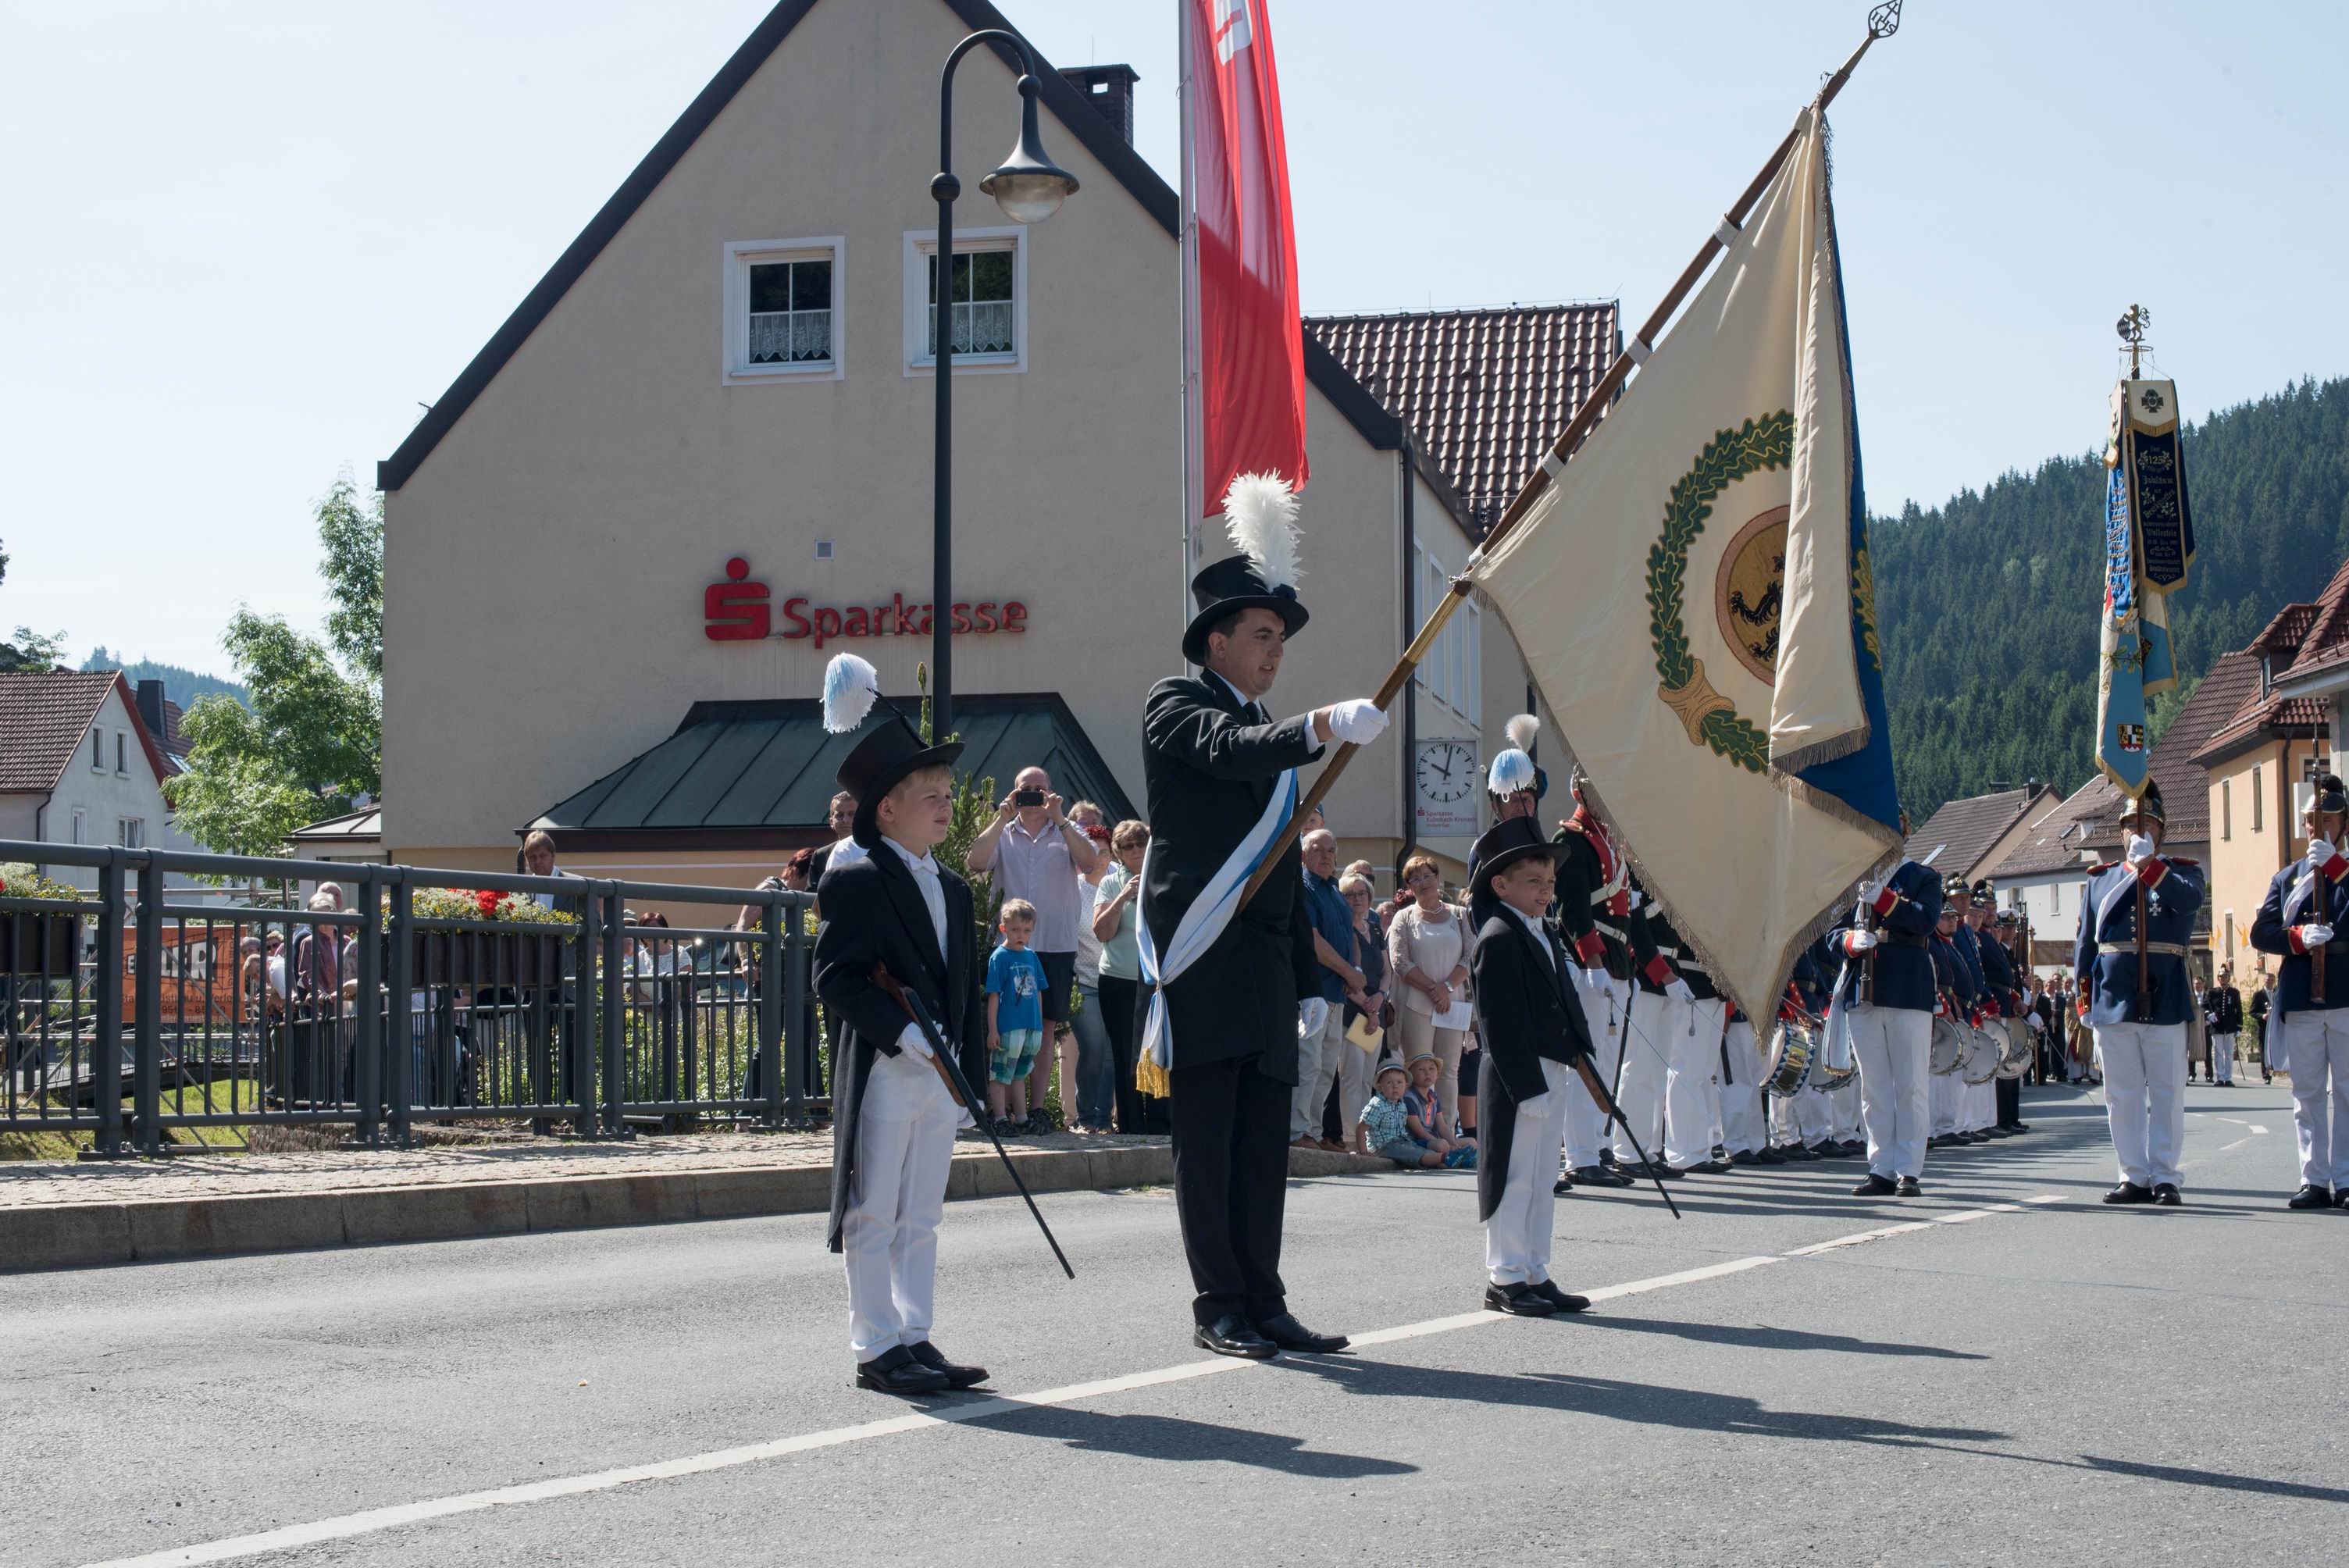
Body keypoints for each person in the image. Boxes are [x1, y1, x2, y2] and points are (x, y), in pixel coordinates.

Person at [1139, 508, 1386, 1360]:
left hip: (1264, 969)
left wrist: (1305, 982)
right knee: (1207, 1143)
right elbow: (1227, 749)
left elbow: (1278, 873)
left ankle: (1264, 1298)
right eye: (1259, 633)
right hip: (1203, 955)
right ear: (1215, 642)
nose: (1274, 649)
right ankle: (1218, 1304)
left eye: (1279, 635)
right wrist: (1315, 727)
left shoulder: (1268, 730)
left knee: (1260, 1145)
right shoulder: (1174, 703)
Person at [811, 663, 989, 1397]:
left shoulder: (951, 884)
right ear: (885, 810)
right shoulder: (854, 878)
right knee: (874, 1207)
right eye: (930, 797)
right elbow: (836, 977)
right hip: (889, 1065)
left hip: (938, 1073)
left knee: (923, 1211)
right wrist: (902, 1035)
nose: (946, 807)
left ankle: (916, 1334)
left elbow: (963, 992)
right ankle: (876, 1346)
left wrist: (964, 1074)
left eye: (948, 795)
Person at [1467, 814, 1593, 1317]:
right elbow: (1500, 1023)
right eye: (1533, 882)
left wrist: (1579, 1050)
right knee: (1515, 1176)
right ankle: (1505, 1276)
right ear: (1501, 885)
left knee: (1542, 1178)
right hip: (1519, 1078)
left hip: (1551, 1067)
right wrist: (1528, 1086)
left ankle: (1535, 1271)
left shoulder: (1541, 930)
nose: (1545, 891)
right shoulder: (1499, 936)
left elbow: (1560, 999)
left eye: (1550, 882)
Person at [2075, 780, 2205, 1207]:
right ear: (2121, 832)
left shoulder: (2183, 871)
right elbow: (2085, 947)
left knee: (2166, 1092)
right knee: (2122, 1093)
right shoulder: (2100, 880)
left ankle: (2165, 1175)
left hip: (2164, 993)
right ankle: (2133, 1174)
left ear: (2162, 831)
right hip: (2113, 996)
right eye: (2132, 825)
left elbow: (2187, 904)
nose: (2139, 832)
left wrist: (2151, 868)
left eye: (2148, 824)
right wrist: (2084, 998)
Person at [1550, 764, 1672, 1188]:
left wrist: (1647, 969)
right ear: (1580, 791)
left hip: (1616, 962)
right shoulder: (1571, 840)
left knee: (1609, 1064)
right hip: (1593, 966)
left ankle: (1596, 1147)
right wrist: (1593, 965)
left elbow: (1629, 916)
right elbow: (1574, 910)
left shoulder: (1612, 842)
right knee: (1587, 1064)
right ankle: (1580, 1155)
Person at [967, 765, 1106, 1132]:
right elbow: (976, 862)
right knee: (1006, 1029)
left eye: (1039, 789)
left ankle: (1037, 1110)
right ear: (1013, 793)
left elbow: (1091, 862)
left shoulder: (1066, 828)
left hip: (1054, 947)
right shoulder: (1004, 830)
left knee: (1044, 1030)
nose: (1033, 796)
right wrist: (1000, 820)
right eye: (1025, 789)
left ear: (1051, 793)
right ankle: (1004, 1111)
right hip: (1011, 951)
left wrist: (1060, 819)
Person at [2250, 771, 2349, 1210]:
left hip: (2346, 993)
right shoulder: (2287, 878)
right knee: (2307, 1094)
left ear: (2344, 824)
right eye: (2312, 820)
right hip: (2302, 994)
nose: (2318, 828)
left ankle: (2346, 1179)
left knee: (2347, 1091)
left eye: (2328, 820)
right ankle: (2314, 1179)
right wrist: (2297, 938)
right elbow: (2261, 932)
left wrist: (2336, 870)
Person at [1833, 848, 1944, 1197]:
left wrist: (1883, 899)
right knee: (1873, 1086)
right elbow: (1830, 934)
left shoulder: (1924, 877)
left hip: (1907, 987)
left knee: (1910, 1085)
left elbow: (1925, 920)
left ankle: (1908, 1170)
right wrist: (1849, 941)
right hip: (1862, 990)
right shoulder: (1852, 878)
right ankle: (1881, 1166)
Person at [1385, 851, 1472, 1138]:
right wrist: (1433, 990)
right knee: (1419, 1070)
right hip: (1416, 1006)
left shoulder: (1460, 916)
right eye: (1414, 879)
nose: (1422, 882)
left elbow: (1471, 957)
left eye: (1427, 876)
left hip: (1453, 1006)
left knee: (1448, 1072)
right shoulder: (1403, 918)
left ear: (1437, 879)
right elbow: (1400, 962)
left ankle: (1446, 1134)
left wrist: (1446, 989)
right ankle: (1419, 1132)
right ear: (1409, 887)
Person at [1293, 827, 1369, 1153]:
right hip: (1312, 991)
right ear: (1303, 854)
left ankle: (1314, 1130)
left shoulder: (1337, 893)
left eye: (1330, 850)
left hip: (1336, 993)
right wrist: (1349, 972)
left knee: (1326, 1068)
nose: (1325, 856)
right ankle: (1296, 1132)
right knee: (1308, 1063)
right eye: (1317, 849)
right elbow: (1312, 941)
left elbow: (1351, 935)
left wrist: (1358, 972)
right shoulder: (1303, 887)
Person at [1091, 820, 1153, 1134]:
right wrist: (1124, 896)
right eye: (1128, 846)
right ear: (1118, 851)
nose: (1136, 851)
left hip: (1156, 982)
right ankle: (1131, 1124)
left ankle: (1160, 1123)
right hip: (1118, 980)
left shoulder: (1161, 878)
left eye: (1141, 843)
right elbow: (1102, 932)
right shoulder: (1111, 883)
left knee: (1155, 1052)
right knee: (1125, 1054)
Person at [1067, 804, 1117, 1134]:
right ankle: (1084, 1117)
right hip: (1083, 982)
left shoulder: (1117, 886)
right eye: (1093, 851)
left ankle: (1103, 1119)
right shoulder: (1072, 890)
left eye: (1104, 852)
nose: (1098, 858)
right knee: (1094, 1047)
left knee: (1112, 1054)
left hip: (1115, 981)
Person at [984, 899, 1049, 1133]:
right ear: (1004, 929)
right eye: (1015, 930)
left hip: (1030, 1026)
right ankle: (1000, 1117)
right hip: (1009, 1026)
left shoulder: (1032, 957)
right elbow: (993, 996)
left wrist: (1039, 1024)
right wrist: (993, 1029)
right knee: (1001, 1073)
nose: (1021, 935)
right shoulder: (999, 957)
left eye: (1026, 930)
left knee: (1020, 1073)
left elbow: (1039, 992)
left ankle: (1021, 1118)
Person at [1357, 1062, 1443, 1167]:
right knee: (1416, 1154)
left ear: (1406, 1086)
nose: (1395, 1087)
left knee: (1421, 1151)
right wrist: (1364, 1153)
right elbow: (1360, 1129)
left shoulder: (1401, 1103)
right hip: (1384, 1146)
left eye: (1399, 1082)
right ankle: (1446, 1158)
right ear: (1380, 1086)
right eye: (1389, 1083)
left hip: (1402, 1141)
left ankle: (1444, 1161)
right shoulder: (1377, 1105)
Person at [1403, 1050, 1473, 1167]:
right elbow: (1418, 1131)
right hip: (1417, 1141)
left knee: (1472, 1142)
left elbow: (1442, 1127)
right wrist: (1446, 1145)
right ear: (1410, 1075)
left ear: (1438, 1074)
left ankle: (1458, 1157)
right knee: (1442, 1145)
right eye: (1421, 1070)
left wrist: (1455, 1145)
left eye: (1432, 1069)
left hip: (1434, 1138)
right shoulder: (1409, 1099)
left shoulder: (1433, 1096)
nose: (1427, 1073)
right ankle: (1455, 1158)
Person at [2205, 964, 2242, 1087]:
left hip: (2230, 1027)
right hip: (2217, 1027)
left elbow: (2239, 1010)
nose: (2223, 979)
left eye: (2225, 976)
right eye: (2221, 977)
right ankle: (2220, 1077)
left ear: (2229, 978)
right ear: (2218, 978)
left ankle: (2228, 1077)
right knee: (2219, 1053)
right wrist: (2209, 1015)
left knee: (2229, 1054)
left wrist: (2239, 1027)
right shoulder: (2212, 992)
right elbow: (2205, 1005)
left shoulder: (2234, 992)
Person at [2251, 970, 2275, 1083]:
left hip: (2276, 1027)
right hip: (2264, 1027)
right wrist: (2262, 1016)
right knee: (2264, 1051)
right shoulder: (2258, 995)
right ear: (2264, 981)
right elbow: (2252, 1012)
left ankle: (2276, 1071)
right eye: (2267, 980)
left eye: (2271, 980)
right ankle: (2266, 1076)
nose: (2269, 982)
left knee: (2274, 1050)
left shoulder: (2277, 993)